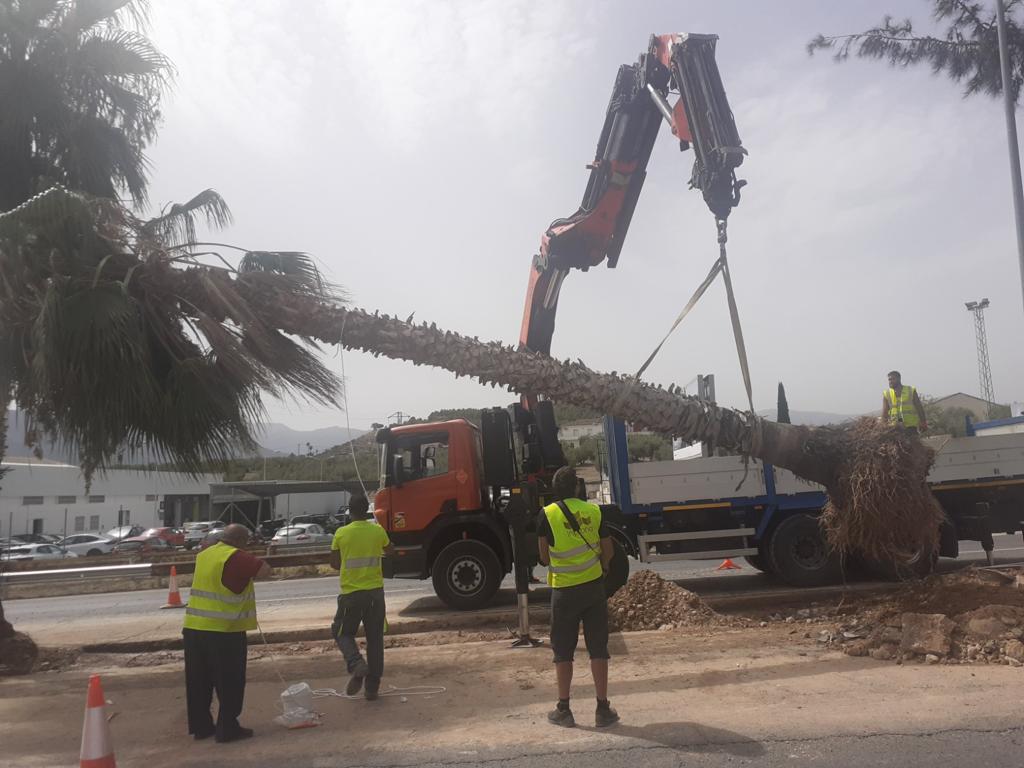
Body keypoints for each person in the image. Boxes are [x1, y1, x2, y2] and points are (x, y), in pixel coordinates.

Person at [537, 467, 618, 728]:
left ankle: (564, 709)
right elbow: (609, 550)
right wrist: (603, 566)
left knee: (563, 651)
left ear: (554, 488)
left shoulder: (546, 515)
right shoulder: (594, 511)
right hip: (593, 588)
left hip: (564, 593)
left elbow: (544, 557)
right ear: (576, 488)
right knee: (598, 648)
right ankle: (603, 709)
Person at [183, 523, 271, 743]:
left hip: (194, 628)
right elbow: (265, 571)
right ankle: (227, 729)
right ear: (241, 541)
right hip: (224, 631)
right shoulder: (236, 556)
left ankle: (201, 727)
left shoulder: (204, 555)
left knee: (198, 681)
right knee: (229, 682)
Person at [329, 495, 393, 700]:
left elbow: (335, 564)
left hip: (351, 594)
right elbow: (390, 550)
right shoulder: (377, 531)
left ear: (349, 510)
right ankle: (372, 688)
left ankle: (356, 664)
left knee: (342, 632)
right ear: (367, 510)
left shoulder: (341, 533)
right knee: (375, 640)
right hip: (375, 594)